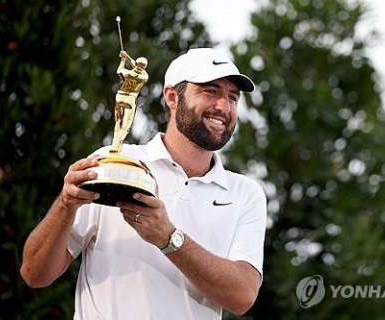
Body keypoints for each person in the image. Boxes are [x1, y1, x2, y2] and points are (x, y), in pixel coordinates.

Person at [20, 48, 267, 319]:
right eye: (210, 91)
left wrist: (168, 237)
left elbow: (243, 296)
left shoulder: (246, 194)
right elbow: (34, 274)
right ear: (172, 97)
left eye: (233, 98)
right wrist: (65, 205)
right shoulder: (110, 163)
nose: (224, 107)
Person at [110, 50, 149, 154]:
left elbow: (119, 71)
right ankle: (117, 145)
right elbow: (141, 69)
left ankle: (115, 144)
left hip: (120, 96)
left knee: (118, 121)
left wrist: (123, 59)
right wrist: (127, 57)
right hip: (130, 99)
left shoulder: (127, 73)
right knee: (126, 124)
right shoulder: (144, 77)